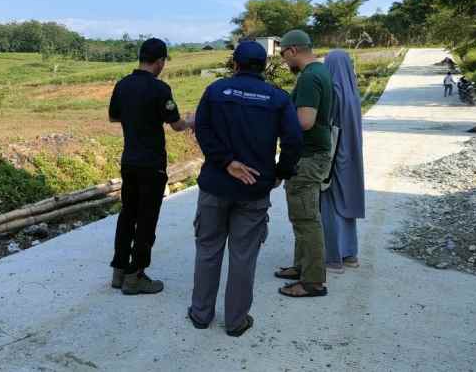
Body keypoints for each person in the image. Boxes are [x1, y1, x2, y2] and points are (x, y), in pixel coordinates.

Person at [189, 41, 303, 336]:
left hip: (215, 185)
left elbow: (202, 128)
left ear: (235, 65)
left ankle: (201, 314)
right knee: (243, 256)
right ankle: (236, 321)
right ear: (263, 67)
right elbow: (293, 141)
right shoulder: (278, 98)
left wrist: (226, 162)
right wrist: (280, 173)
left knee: (208, 249)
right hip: (254, 189)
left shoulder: (216, 91)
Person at [108, 38, 194, 295]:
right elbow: (177, 125)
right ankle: (136, 276)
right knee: (147, 219)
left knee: (127, 215)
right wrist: (192, 120)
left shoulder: (122, 85)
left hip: (129, 162)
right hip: (152, 165)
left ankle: (119, 271)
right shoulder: (160, 89)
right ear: (160, 61)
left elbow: (113, 116)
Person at [275, 29, 333, 298]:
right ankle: (301, 266)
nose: (285, 61)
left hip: (309, 157)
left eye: (284, 55)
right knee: (300, 215)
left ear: (293, 50)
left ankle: (312, 282)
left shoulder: (309, 78)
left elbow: (305, 121)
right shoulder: (319, 72)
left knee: (306, 218)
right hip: (312, 154)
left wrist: (277, 121)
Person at [321, 50, 365, 273]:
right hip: (353, 154)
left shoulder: (333, 91)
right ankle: (350, 255)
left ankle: (333, 258)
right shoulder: (353, 92)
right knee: (347, 204)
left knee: (330, 205)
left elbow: (325, 124)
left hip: (335, 156)